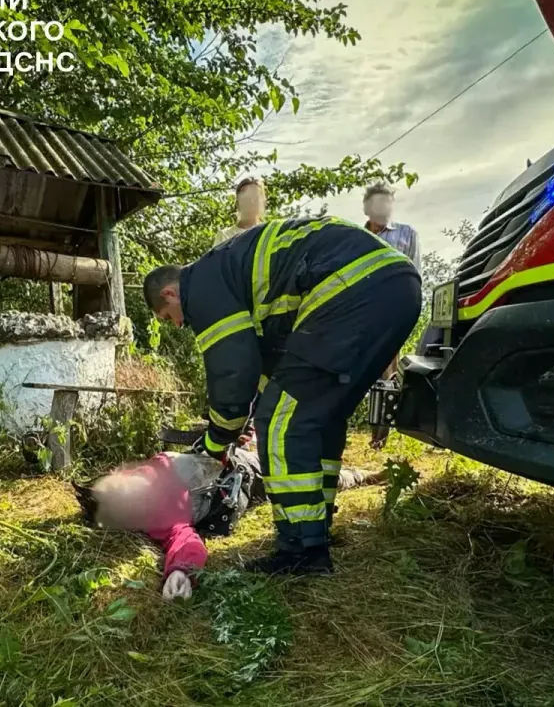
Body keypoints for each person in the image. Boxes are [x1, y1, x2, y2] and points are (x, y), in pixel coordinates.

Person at [142, 217, 421, 575]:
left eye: (169, 318)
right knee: (319, 418)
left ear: (170, 293)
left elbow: (232, 369)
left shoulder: (201, 285)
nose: (179, 325)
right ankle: (315, 530)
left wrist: (218, 441)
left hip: (352, 291)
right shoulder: (231, 272)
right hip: (395, 289)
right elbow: (270, 366)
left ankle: (300, 549)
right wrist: (248, 413)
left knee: (279, 423)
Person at [72, 429, 385, 600]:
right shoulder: (162, 518)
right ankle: (363, 475)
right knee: (307, 476)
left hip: (237, 455)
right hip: (251, 478)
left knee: (276, 440)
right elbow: (187, 541)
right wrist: (181, 571)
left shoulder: (153, 465)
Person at [361, 182, 422, 449]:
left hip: (391, 312)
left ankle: (380, 436)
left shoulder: (407, 234)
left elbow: (415, 276)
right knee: (358, 372)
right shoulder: (355, 236)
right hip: (360, 313)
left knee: (386, 375)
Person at [212, 176, 267, 247]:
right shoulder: (225, 236)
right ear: (237, 204)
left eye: (255, 197)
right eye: (247, 198)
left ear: (263, 202)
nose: (251, 201)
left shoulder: (268, 234)